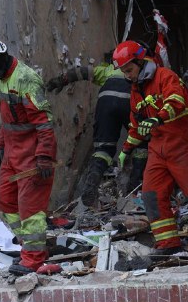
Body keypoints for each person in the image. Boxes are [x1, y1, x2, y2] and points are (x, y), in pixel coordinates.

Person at [113, 40, 188, 255]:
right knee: (151, 194)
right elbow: (136, 124)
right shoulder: (136, 92)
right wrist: (126, 149)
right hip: (159, 148)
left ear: (141, 61)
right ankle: (168, 243)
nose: (127, 75)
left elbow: (176, 101)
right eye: (124, 72)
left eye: (129, 69)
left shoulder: (165, 77)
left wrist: (158, 118)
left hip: (184, 143)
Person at [0, 34, 57, 275]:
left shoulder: (27, 79)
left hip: (32, 153)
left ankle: (34, 258)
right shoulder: (1, 79)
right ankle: (30, 245)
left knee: (30, 206)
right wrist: (1, 146)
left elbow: (44, 121)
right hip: (12, 151)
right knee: (3, 198)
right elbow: (6, 119)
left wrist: (44, 155)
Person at [45, 52, 143, 206]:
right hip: (129, 98)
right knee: (140, 146)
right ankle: (135, 190)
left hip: (105, 100)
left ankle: (91, 186)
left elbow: (83, 72)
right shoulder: (135, 71)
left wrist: (61, 80)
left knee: (103, 149)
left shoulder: (108, 70)